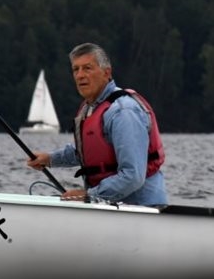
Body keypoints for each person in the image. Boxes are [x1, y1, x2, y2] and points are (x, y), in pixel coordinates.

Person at [26, 42, 167, 206]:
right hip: (109, 207)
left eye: (87, 68)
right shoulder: (90, 108)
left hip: (141, 209)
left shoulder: (123, 112)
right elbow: (86, 151)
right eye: (75, 69)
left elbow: (133, 175)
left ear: (107, 73)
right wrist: (50, 159)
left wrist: (88, 195)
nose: (80, 75)